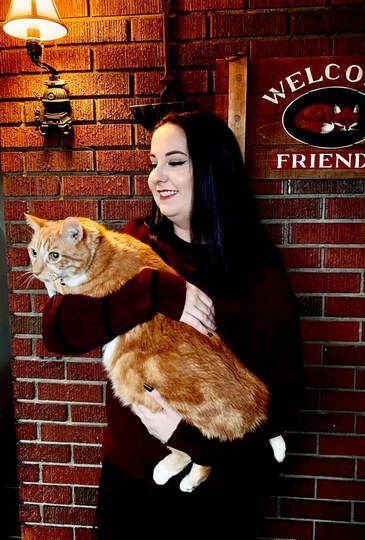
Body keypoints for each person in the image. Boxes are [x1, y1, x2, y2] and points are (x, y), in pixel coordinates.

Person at [42, 110, 304, 539]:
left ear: (212, 169)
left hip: (218, 494)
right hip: (130, 484)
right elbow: (59, 332)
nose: (156, 176)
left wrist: (190, 441)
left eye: (175, 161)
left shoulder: (257, 271)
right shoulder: (134, 245)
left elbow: (285, 400)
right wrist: (154, 289)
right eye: (153, 162)